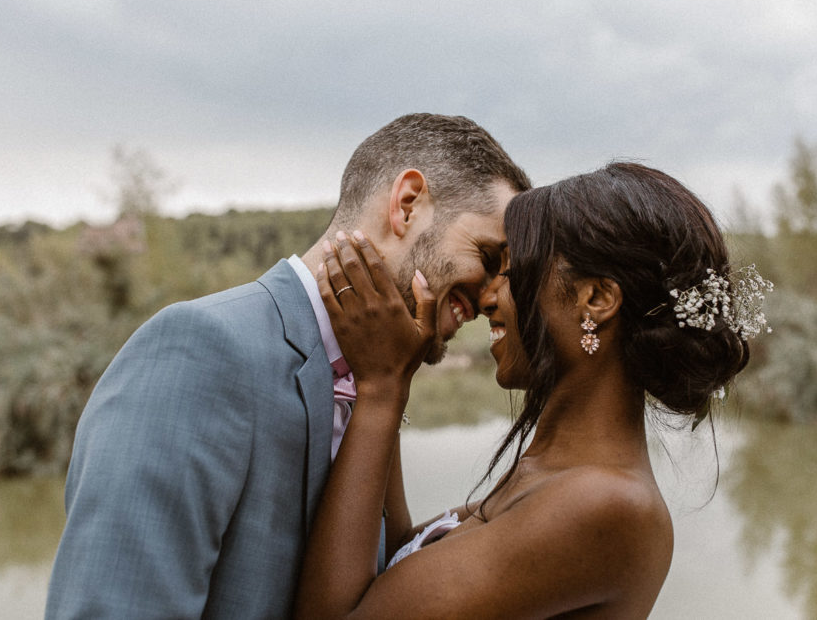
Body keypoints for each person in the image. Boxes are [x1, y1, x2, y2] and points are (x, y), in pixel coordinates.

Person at [44, 113, 531, 618]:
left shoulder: (378, 377)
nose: (491, 294)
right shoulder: (200, 350)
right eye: (489, 256)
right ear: (407, 205)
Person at [296, 162, 771, 618]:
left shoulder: (606, 504)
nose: (487, 298)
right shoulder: (552, 474)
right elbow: (394, 566)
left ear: (596, 300)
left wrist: (380, 388)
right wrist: (396, 374)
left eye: (509, 270)